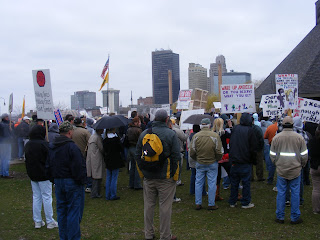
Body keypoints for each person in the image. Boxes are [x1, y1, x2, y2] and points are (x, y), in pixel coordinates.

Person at [135, 109, 180, 240]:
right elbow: (177, 157)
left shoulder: (144, 134)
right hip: (165, 177)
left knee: (148, 206)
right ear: (167, 120)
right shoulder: (170, 134)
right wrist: (174, 175)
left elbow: (138, 155)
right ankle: (165, 235)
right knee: (165, 208)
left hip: (148, 176)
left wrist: (142, 173)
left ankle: (148, 234)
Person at [46, 121, 86, 240]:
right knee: (73, 212)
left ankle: (63, 236)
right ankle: (73, 237)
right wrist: (81, 181)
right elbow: (78, 166)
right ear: (70, 132)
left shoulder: (52, 147)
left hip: (58, 181)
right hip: (72, 182)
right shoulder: (72, 147)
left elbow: (48, 165)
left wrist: (54, 179)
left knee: (62, 211)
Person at [270, 116, 308, 224]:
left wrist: (276, 163)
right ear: (292, 125)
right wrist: (302, 165)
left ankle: (280, 216)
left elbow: (272, 154)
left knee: (281, 193)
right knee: (295, 193)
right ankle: (295, 217)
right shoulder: (299, 137)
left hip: (281, 169)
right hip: (295, 169)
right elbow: (304, 155)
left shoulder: (277, 137)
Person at [24, 125, 58, 229]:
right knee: (47, 197)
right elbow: (50, 160)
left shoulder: (28, 144)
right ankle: (49, 221)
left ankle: (37, 221)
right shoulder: (45, 145)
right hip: (44, 174)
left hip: (33, 174)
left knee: (36, 197)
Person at [190, 118, 223, 211]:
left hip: (200, 162)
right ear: (209, 125)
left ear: (201, 125)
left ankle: (198, 203)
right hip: (212, 162)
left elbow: (192, 151)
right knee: (212, 183)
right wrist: (217, 158)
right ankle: (211, 203)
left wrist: (196, 158)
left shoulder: (196, 136)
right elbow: (219, 151)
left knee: (199, 182)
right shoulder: (215, 136)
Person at [228, 113, 257, 209]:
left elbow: (231, 143)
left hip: (235, 160)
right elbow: (253, 147)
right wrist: (254, 160)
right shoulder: (250, 130)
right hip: (245, 160)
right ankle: (245, 202)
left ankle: (232, 201)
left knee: (234, 183)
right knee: (246, 183)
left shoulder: (235, 129)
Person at [103, 128, 125, 200]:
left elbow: (104, 150)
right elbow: (121, 149)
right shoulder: (116, 140)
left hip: (108, 159)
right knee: (114, 178)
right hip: (115, 159)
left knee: (108, 177)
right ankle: (113, 195)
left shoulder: (105, 140)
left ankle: (107, 195)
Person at [72, 117, 91, 193]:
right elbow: (90, 141)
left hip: (73, 153)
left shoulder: (71, 132)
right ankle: (88, 185)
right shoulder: (85, 132)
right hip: (84, 152)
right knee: (87, 169)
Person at [86, 128, 104, 198]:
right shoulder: (97, 138)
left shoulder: (92, 136)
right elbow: (101, 148)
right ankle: (95, 193)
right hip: (96, 158)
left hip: (91, 157)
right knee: (97, 176)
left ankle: (95, 192)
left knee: (94, 175)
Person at [127, 116, 143, 190]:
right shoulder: (138, 130)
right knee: (137, 167)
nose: (140, 123)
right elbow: (141, 140)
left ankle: (131, 183)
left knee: (132, 166)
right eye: (139, 122)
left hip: (130, 148)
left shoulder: (129, 129)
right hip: (136, 148)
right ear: (136, 122)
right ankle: (137, 184)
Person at [309, 124, 320, 214]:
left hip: (315, 166)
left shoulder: (312, 141)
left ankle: (316, 209)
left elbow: (310, 153)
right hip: (315, 165)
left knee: (316, 189)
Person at [264, 118, 278, 185]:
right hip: (282, 147)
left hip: (272, 146)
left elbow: (265, 136)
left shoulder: (270, 127)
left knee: (272, 164)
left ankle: (270, 179)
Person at [0, 113, 14, 178]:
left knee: (2, 158)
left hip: (1, 143)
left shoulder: (2, 124)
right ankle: (5, 173)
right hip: (6, 142)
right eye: (7, 117)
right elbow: (7, 135)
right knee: (6, 158)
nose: (8, 118)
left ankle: (1, 172)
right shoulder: (5, 125)